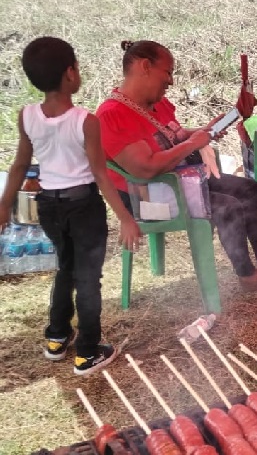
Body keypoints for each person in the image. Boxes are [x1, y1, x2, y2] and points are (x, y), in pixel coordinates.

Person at [96, 40, 257, 291]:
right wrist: (194, 144)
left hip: (181, 181)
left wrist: (229, 118)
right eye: (167, 72)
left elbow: (175, 137)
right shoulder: (113, 114)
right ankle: (247, 276)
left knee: (249, 188)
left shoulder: (155, 104)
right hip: (148, 199)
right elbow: (144, 168)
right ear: (145, 66)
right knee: (227, 206)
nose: (171, 81)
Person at [0, 37, 142, 375]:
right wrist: (126, 218)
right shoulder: (85, 120)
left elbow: (20, 165)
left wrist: (4, 206)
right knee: (88, 277)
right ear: (69, 74)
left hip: (49, 206)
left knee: (66, 269)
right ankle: (88, 351)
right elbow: (101, 175)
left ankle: (56, 337)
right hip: (83, 206)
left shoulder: (28, 116)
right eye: (76, 66)